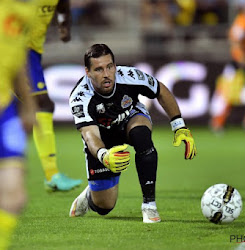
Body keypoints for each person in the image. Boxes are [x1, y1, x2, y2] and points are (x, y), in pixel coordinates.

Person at [68, 44, 197, 223]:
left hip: (131, 118)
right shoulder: (80, 97)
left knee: (142, 136)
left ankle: (149, 205)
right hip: (102, 138)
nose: (106, 74)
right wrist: (103, 155)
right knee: (105, 207)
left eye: (110, 67)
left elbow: (160, 90)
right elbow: (90, 135)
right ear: (87, 72)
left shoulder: (129, 76)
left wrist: (179, 125)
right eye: (98, 69)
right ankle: (91, 195)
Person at [28, 0, 82, 191]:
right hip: (14, 49)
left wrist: (63, 24)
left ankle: (52, 175)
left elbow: (63, 7)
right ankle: (52, 175)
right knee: (43, 104)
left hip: (32, 53)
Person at [0, 0, 36, 249]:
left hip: (5, 111)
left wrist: (29, 106)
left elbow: (18, 58)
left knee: (15, 195)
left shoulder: (28, 11)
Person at [210, 3, 245, 133]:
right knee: (230, 93)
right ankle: (218, 122)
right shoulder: (243, 20)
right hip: (239, 63)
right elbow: (234, 40)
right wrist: (241, 56)